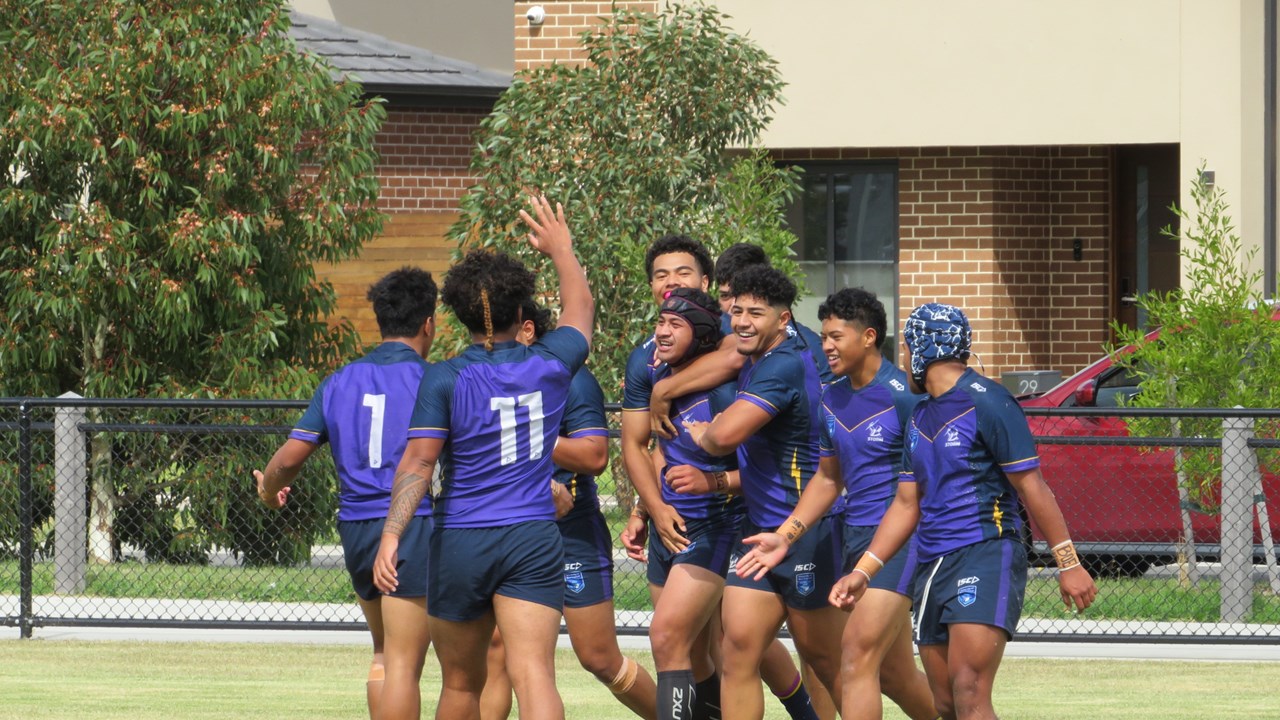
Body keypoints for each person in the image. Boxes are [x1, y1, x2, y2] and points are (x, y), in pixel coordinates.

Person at [372, 196, 592, 720]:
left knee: (461, 687)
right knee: (533, 674)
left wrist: (391, 534)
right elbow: (581, 310)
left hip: (463, 541)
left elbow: (418, 466)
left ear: (456, 314)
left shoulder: (444, 377)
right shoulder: (553, 362)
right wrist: (562, 250)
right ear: (523, 314)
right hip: (533, 537)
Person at [829, 303, 1099, 720]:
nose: (901, 360)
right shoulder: (919, 416)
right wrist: (863, 572)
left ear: (922, 349)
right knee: (947, 704)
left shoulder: (990, 401)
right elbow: (905, 504)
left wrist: (1068, 562)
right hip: (932, 565)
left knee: (970, 690)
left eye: (904, 348)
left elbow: (1033, 486)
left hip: (986, 552)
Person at [618, 236, 820, 720]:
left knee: (699, 639)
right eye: (661, 276)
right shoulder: (648, 356)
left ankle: (808, 712)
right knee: (710, 646)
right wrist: (647, 507)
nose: (672, 284)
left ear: (708, 286)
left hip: (736, 522)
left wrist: (716, 482)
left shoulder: (747, 359)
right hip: (674, 520)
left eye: (682, 274)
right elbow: (641, 445)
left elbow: (752, 452)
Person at [736, 288, 937, 720]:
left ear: (868, 337)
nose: (825, 345)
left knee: (856, 654)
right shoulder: (832, 397)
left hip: (901, 539)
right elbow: (828, 479)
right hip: (852, 538)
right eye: (823, 336)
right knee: (896, 675)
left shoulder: (906, 397)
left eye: (836, 337)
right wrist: (786, 535)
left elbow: (931, 480)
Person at [254, 267, 439, 720]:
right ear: (429, 323)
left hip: (355, 528)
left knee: (383, 652)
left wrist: (269, 490)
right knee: (404, 664)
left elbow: (289, 458)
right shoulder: (434, 380)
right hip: (409, 525)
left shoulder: (338, 381)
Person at [684, 266, 847, 720]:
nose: (742, 321)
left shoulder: (783, 364)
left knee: (827, 661)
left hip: (807, 532)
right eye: (737, 310)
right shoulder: (757, 357)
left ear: (783, 318)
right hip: (759, 532)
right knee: (736, 651)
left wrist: (703, 433)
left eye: (757, 312)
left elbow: (722, 439)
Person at [494, 300, 658, 719]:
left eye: (496, 332)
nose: (487, 343)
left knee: (599, 657)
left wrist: (524, 436)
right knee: (497, 653)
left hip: (571, 529)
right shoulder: (487, 376)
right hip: (506, 530)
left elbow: (595, 455)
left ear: (527, 330)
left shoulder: (572, 377)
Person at [626, 287, 745, 720]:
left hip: (713, 526)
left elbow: (766, 473)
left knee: (665, 636)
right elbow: (653, 448)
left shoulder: (726, 391)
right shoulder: (659, 378)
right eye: (660, 321)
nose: (662, 331)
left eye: (675, 324)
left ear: (701, 333)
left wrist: (712, 481)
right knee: (691, 655)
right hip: (667, 527)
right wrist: (647, 508)